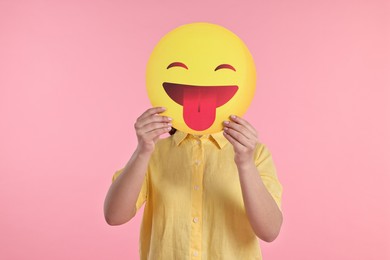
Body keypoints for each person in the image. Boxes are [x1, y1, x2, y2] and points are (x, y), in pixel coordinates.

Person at [104, 106, 283, 259]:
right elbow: (114, 216)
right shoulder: (153, 152)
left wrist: (245, 163)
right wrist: (142, 151)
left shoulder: (255, 154)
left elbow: (269, 232)